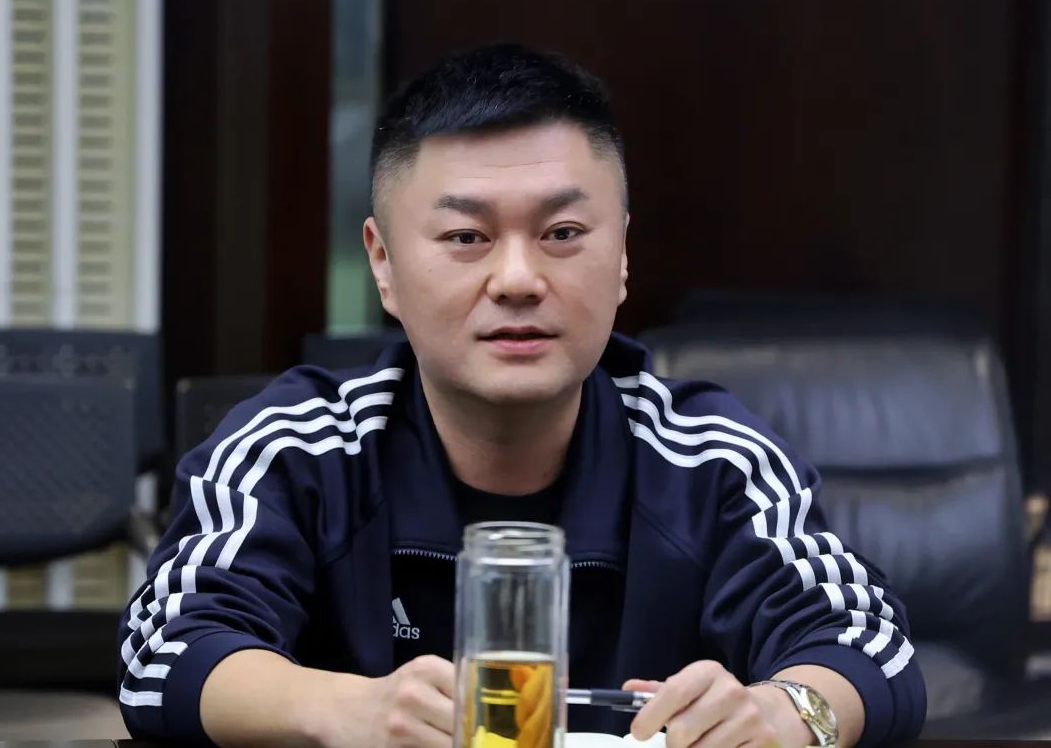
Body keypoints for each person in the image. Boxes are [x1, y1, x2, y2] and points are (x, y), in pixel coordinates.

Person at [117, 43, 926, 748]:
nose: (516, 279)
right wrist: (348, 709)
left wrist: (785, 711)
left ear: (621, 255)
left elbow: (869, 644)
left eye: (562, 234)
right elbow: (163, 650)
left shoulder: (713, 459)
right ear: (383, 262)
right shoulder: (297, 448)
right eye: (466, 237)